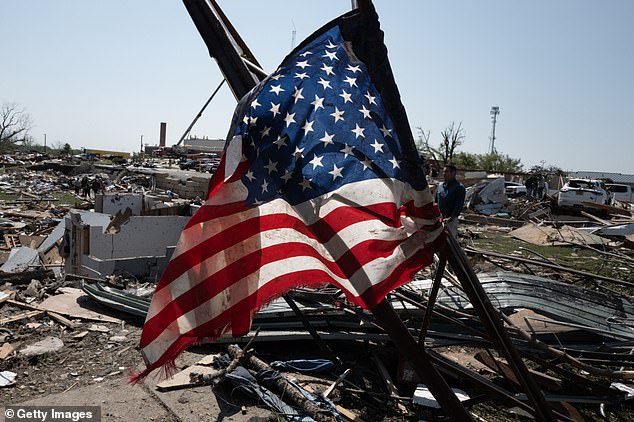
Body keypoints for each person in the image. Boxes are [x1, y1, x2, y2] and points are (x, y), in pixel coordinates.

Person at [435, 164, 466, 238]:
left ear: (453, 173)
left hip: (450, 220)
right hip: (439, 219)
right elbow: (436, 201)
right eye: (443, 172)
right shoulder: (440, 186)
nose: (444, 174)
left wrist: (451, 218)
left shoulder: (459, 188)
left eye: (446, 172)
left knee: (450, 240)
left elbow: (459, 205)